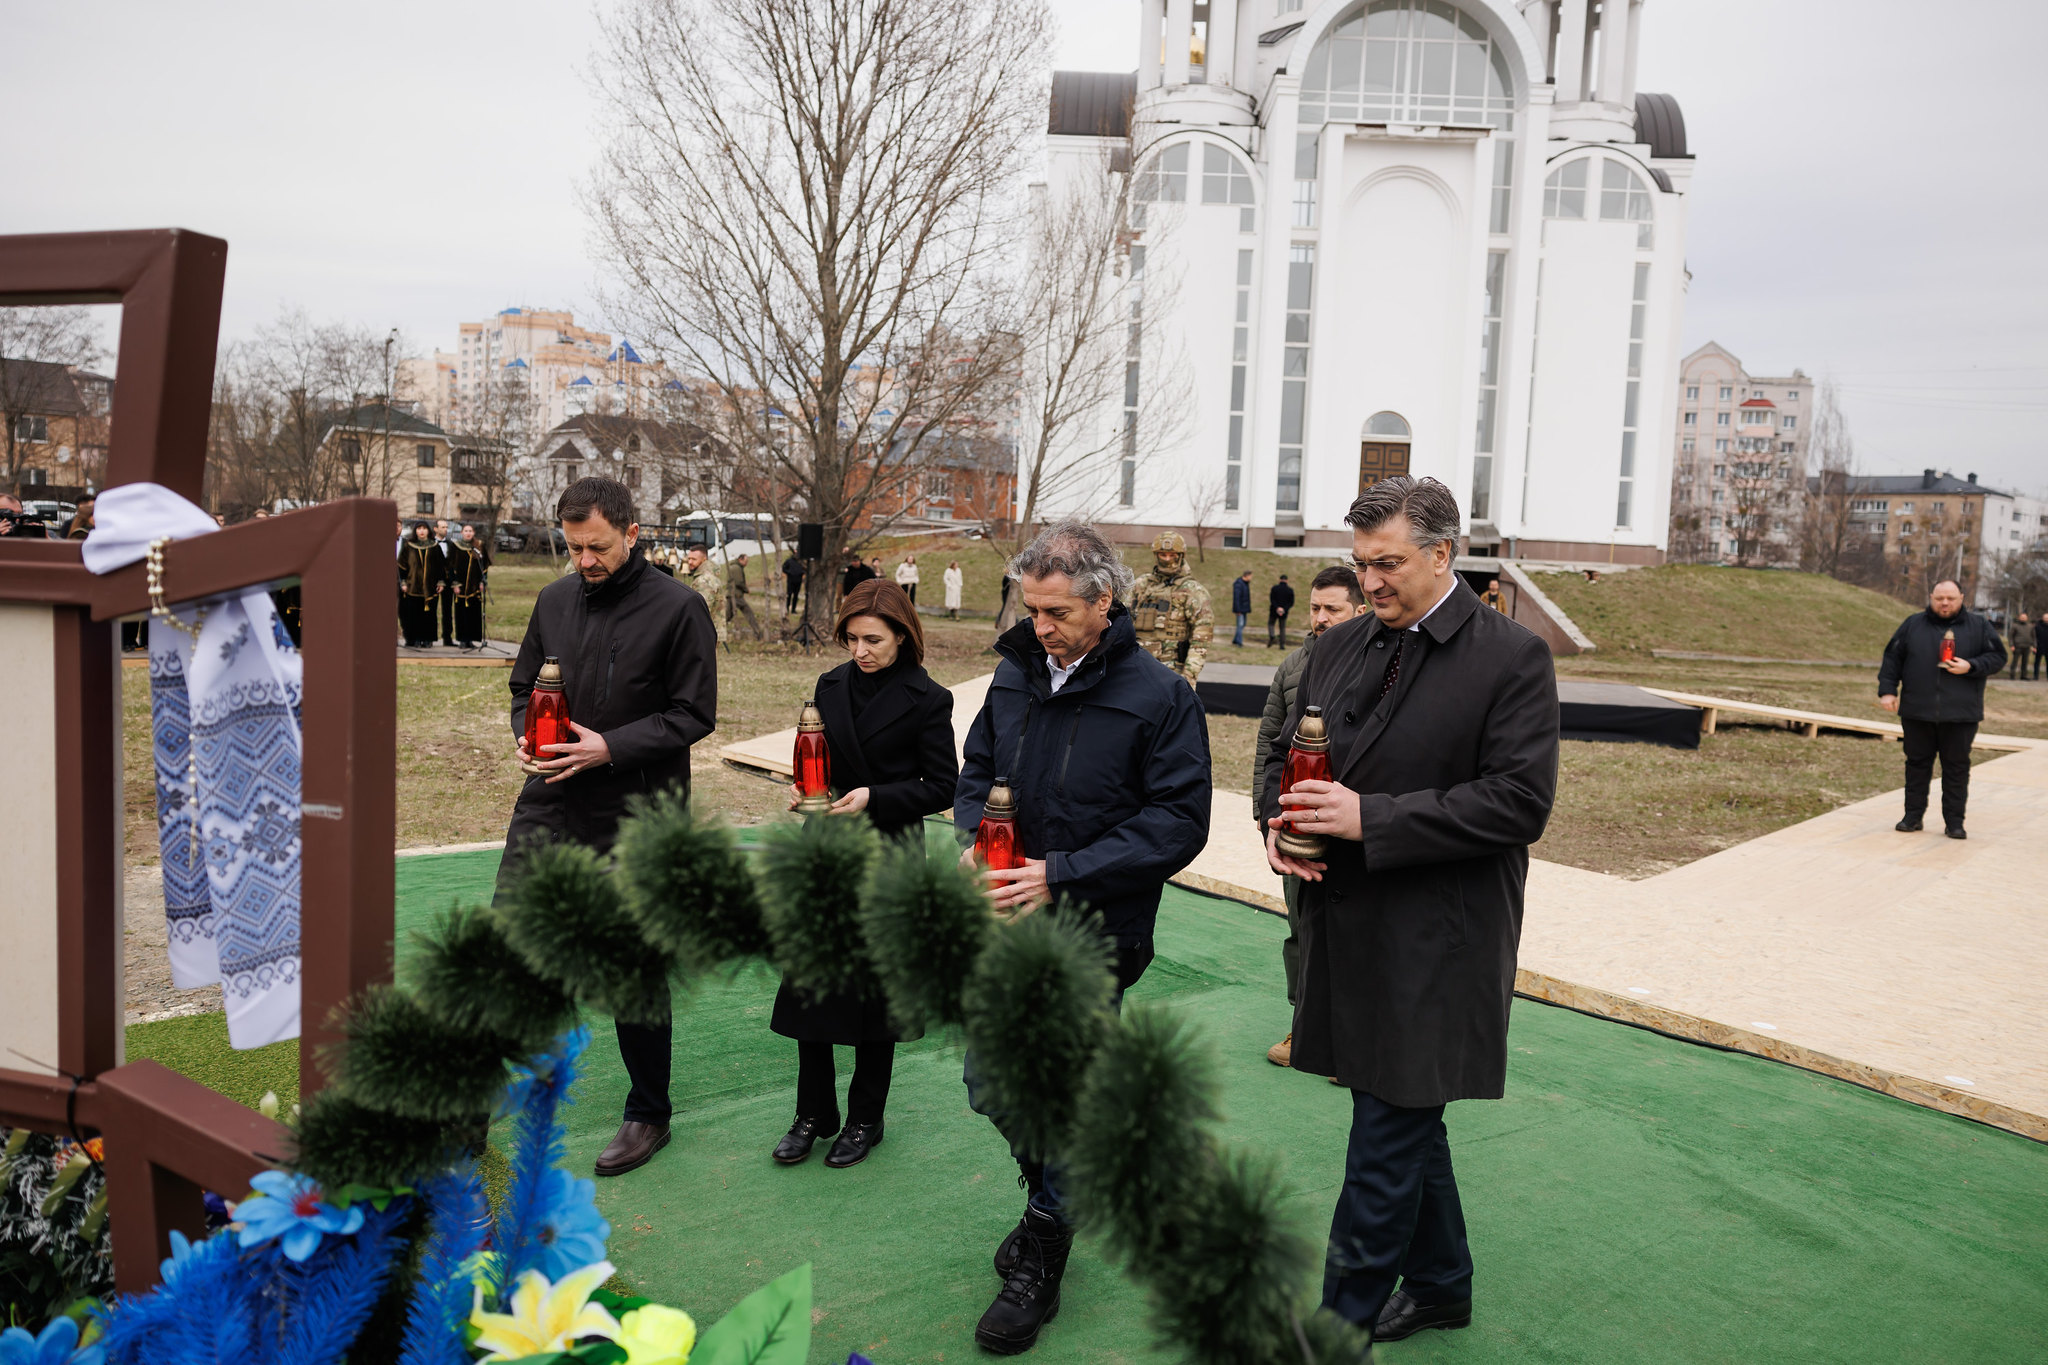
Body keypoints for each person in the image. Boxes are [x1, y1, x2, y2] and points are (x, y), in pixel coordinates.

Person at [1261, 476, 1558, 1346]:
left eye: (1387, 563)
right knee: (1399, 1106)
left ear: (1442, 552)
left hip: (1440, 934)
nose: (1370, 581)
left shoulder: (1512, 656)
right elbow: (1294, 746)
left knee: (1385, 1139)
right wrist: (1281, 823)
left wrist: (1369, 818)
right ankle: (1440, 1283)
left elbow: (1518, 802)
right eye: (1360, 564)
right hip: (1348, 920)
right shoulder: (1340, 645)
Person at [954, 517, 1212, 1354]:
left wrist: (1058, 872)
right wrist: (972, 837)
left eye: (1057, 610)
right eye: (1032, 607)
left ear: (1106, 601)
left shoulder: (1161, 696)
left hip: (1096, 932)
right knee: (990, 1084)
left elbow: (1178, 823)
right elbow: (975, 775)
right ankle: (1061, 1193)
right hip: (1004, 921)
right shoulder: (1012, 674)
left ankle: (1044, 1249)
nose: (1040, 625)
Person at [497, 477, 718, 1178]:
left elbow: (693, 713)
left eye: (596, 546)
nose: (585, 559)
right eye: (573, 546)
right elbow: (522, 686)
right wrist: (527, 736)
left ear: (631, 530)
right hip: (550, 800)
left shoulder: (680, 608)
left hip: (637, 811)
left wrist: (609, 745)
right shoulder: (553, 599)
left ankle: (649, 1111)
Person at [771, 579, 957, 1169]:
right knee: (811, 989)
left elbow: (942, 786)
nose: (861, 650)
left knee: (877, 1000)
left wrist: (874, 795)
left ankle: (865, 1118)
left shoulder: (929, 698)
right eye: (851, 638)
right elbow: (815, 754)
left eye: (873, 638)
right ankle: (813, 1113)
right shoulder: (829, 685)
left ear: (903, 635)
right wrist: (807, 790)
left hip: (888, 855)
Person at [1252, 564, 1368, 1069]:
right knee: (1302, 929)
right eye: (1315, 608)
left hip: (1357, 827)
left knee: (1360, 933)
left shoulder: (1381, 665)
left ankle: (1357, 1043)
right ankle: (1305, 1027)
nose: (1320, 618)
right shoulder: (1294, 666)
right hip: (1298, 829)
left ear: (1359, 610)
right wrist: (1267, 816)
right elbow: (1269, 742)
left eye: (1332, 609)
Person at [1878, 579, 2004, 839]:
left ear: (1962, 598)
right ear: (1931, 597)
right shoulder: (1913, 624)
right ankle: (1912, 817)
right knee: (1916, 764)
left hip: (1961, 713)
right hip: (1917, 710)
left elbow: (1997, 657)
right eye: (1939, 598)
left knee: (1956, 767)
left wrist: (1972, 666)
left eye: (1950, 598)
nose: (1944, 603)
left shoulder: (1979, 626)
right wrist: (1888, 690)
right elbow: (1892, 657)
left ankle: (1954, 822)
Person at [1128, 530, 1213, 685]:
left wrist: (1188, 677)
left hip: (1172, 672)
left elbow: (1202, 637)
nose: (1167, 559)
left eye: (1172, 555)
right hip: (1136, 668)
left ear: (1181, 556)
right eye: (1163, 554)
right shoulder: (1141, 586)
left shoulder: (1192, 591)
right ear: (1156, 555)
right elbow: (1123, 623)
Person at [445, 523, 490, 648]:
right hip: (461, 585)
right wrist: (454, 584)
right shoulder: (456, 546)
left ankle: (471, 639)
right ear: (462, 533)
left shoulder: (479, 546)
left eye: (470, 531)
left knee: (473, 613)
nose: (468, 533)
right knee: (461, 613)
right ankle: (462, 639)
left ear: (473, 532)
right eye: (466, 531)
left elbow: (484, 565)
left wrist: (482, 581)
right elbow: (450, 566)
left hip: (475, 586)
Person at [398, 522, 441, 647]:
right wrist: (404, 582)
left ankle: (427, 639)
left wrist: (440, 582)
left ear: (428, 531)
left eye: (424, 529)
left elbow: (441, 566)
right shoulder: (408, 546)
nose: (421, 531)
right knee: (413, 614)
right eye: (419, 529)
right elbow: (402, 567)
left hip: (430, 586)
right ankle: (414, 638)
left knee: (429, 615)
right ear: (415, 531)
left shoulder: (434, 546)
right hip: (413, 586)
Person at [680, 545, 728, 652]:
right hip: (710, 630)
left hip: (704, 632)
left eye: (694, 559)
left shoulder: (704, 581)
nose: (690, 562)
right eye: (689, 558)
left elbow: (700, 610)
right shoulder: (708, 576)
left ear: (704, 559)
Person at [433, 517, 457, 646]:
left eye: (447, 527)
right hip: (434, 582)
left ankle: (447, 638)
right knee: (431, 610)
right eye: (443, 527)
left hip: (448, 582)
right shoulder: (431, 543)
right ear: (436, 529)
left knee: (447, 611)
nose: (445, 529)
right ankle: (429, 638)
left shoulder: (450, 544)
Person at [729, 553, 761, 639]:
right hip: (736, 595)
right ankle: (757, 632)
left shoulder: (735, 567)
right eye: (745, 561)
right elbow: (739, 582)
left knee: (728, 615)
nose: (746, 563)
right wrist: (746, 589)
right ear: (740, 559)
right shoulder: (736, 568)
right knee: (749, 613)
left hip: (732, 594)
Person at [1267, 573, 1295, 648]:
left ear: (1280, 580)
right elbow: (1291, 602)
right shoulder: (1289, 590)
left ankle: (1272, 635)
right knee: (1282, 628)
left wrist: (1277, 607)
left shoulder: (1274, 588)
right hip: (1284, 612)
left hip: (1274, 610)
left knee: (1271, 624)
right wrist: (1283, 609)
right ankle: (1282, 644)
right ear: (1287, 580)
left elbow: (1272, 599)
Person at [1231, 570, 1253, 647]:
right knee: (1240, 625)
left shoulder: (1245, 584)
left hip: (1244, 608)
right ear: (1246, 576)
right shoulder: (1239, 584)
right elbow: (1236, 598)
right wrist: (1238, 610)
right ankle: (1239, 642)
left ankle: (1235, 640)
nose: (1251, 578)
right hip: (1240, 609)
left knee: (1242, 624)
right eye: (1250, 576)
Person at [2009, 613, 2032, 679]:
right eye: (2022, 617)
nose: (2023, 618)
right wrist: (2011, 645)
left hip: (2027, 646)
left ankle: (2023, 675)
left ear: (2027, 618)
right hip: (2017, 646)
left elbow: (2033, 637)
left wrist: (2033, 645)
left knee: (2025, 662)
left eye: (2024, 617)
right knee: (2015, 661)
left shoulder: (2030, 626)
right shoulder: (2015, 626)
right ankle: (2012, 675)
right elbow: (2010, 636)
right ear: (2019, 618)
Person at [783, 550, 805, 615]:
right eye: (795, 553)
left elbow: (804, 569)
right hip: (790, 581)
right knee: (789, 595)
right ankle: (786, 608)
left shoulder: (801, 562)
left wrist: (802, 573)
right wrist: (789, 573)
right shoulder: (789, 561)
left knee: (796, 596)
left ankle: (793, 610)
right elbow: (784, 568)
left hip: (798, 581)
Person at [2034, 613, 2048, 682]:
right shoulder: (2037, 626)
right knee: (2037, 663)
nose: (2046, 619)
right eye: (2045, 618)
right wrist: (2034, 646)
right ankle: (2035, 676)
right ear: (2042, 618)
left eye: (2047, 618)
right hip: (2039, 647)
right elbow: (2034, 637)